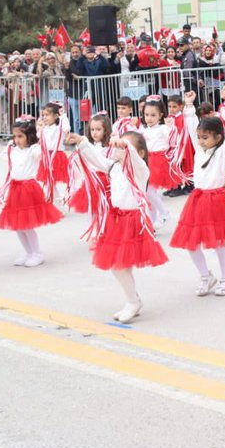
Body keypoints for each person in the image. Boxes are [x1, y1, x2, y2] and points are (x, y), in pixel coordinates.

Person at [71, 122, 168, 324]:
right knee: (121, 264)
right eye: (117, 146)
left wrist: (126, 145)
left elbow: (132, 156)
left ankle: (133, 301)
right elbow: (97, 160)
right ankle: (132, 299)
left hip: (133, 221)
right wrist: (83, 142)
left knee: (117, 264)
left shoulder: (140, 171)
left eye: (123, 146)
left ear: (139, 152)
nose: (117, 148)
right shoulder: (114, 166)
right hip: (117, 219)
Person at [171, 91, 225, 297]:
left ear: (217, 137)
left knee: (220, 243)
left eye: (205, 137)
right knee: (191, 242)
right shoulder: (199, 150)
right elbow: (190, 126)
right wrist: (188, 108)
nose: (201, 141)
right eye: (199, 137)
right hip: (198, 199)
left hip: (216, 200)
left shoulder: (223, 154)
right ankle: (206, 275)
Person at [0, 117, 63, 267]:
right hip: (15, 189)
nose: (16, 140)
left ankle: (37, 253)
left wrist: (41, 133)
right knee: (18, 225)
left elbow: (43, 154)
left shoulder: (33, 150)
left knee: (27, 225)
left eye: (20, 136)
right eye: (14, 136)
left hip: (28, 189)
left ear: (29, 136)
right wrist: (10, 145)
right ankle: (28, 252)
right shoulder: (14, 150)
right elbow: (2, 156)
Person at [138, 96, 174, 227]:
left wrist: (171, 127)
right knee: (148, 194)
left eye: (153, 115)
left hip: (158, 161)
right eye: (146, 114)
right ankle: (152, 222)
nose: (149, 118)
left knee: (149, 191)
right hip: (147, 161)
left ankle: (164, 213)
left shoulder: (163, 128)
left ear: (160, 115)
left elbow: (174, 140)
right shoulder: (144, 130)